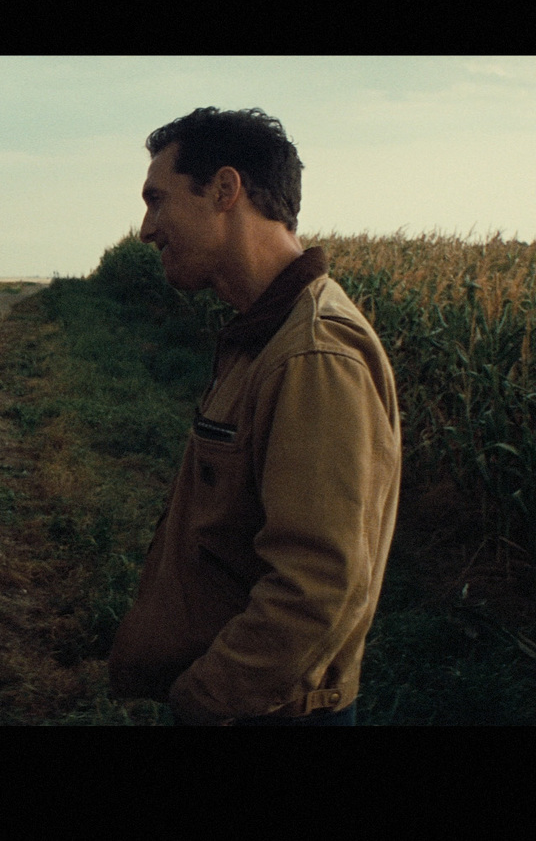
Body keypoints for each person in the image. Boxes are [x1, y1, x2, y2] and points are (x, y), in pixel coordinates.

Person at [108, 108, 401, 725]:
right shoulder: (261, 336)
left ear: (224, 189)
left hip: (265, 710)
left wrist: (202, 701)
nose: (146, 229)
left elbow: (317, 586)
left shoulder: (313, 354)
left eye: (157, 200)